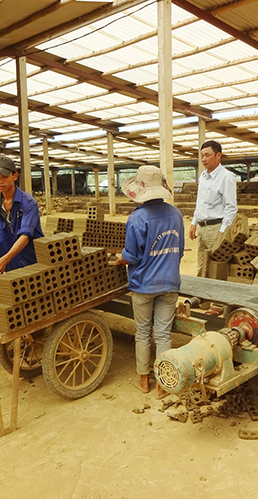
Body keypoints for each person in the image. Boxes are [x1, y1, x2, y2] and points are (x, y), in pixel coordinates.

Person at [111, 165, 185, 399]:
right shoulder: (176, 214)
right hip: (170, 283)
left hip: (143, 285)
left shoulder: (137, 218)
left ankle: (143, 380)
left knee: (143, 333)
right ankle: (163, 384)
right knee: (163, 334)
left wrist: (118, 260)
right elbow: (179, 250)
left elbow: (131, 255)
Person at [189, 140, 237, 315]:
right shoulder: (203, 176)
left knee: (217, 266)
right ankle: (203, 300)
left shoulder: (226, 177)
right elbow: (200, 202)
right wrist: (194, 222)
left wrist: (223, 231)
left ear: (219, 155)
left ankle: (217, 304)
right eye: (201, 155)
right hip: (202, 227)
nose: (203, 158)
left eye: (207, 155)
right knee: (202, 265)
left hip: (216, 227)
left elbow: (231, 207)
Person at [0, 156, 44, 277]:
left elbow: (25, 236)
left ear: (15, 176)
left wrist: (4, 259)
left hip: (34, 267)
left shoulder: (28, 203)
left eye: (5, 177)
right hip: (11, 271)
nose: (0, 182)